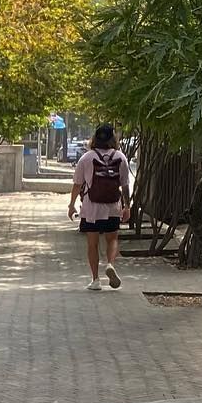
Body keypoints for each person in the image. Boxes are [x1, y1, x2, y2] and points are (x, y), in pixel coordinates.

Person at [69, 124, 131, 290]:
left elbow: (77, 184)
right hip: (113, 206)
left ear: (94, 138)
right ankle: (110, 264)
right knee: (112, 239)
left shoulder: (86, 158)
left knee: (92, 244)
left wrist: (71, 205)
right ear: (113, 138)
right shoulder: (120, 157)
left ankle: (95, 280)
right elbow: (125, 185)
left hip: (92, 207)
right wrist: (127, 207)